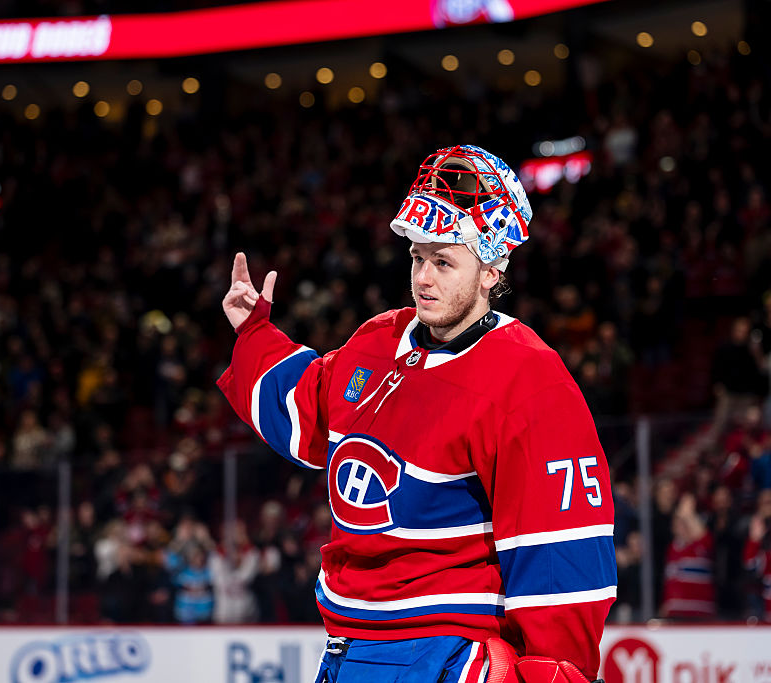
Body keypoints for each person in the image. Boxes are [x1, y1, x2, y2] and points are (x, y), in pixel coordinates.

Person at [218, 146, 615, 683]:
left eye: (443, 261)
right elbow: (308, 409)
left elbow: (560, 554)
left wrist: (552, 675)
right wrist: (254, 334)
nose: (423, 277)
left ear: (491, 270)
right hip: (347, 650)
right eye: (417, 257)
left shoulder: (529, 379)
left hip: (447, 654)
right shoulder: (380, 338)